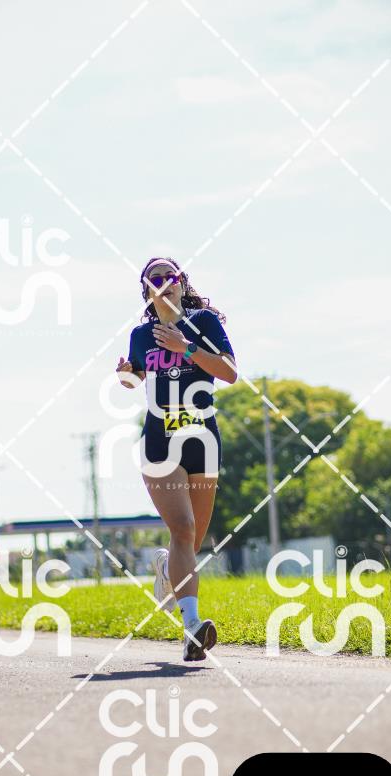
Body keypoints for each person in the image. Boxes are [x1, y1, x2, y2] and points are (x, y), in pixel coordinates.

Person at [116, 256, 237, 661]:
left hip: (203, 440)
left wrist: (186, 348)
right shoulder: (141, 335)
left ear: (182, 282)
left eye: (170, 275)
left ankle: (168, 570)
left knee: (192, 541)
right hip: (160, 441)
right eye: (154, 279)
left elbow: (229, 372)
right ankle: (192, 629)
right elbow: (136, 378)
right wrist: (126, 375)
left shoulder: (204, 323)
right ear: (147, 291)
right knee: (182, 528)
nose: (163, 282)